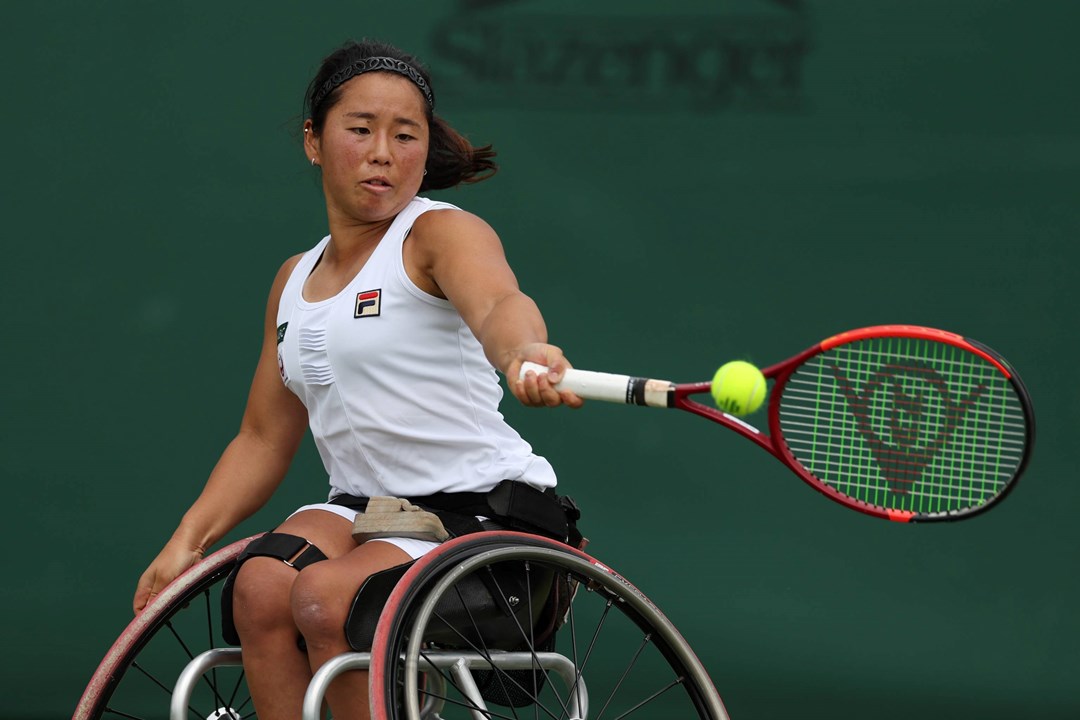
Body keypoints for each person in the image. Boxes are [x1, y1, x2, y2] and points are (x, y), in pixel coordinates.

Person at [132, 39, 582, 720]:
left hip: (482, 518)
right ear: (315, 141)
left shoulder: (438, 234)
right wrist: (186, 540)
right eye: (360, 129)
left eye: (406, 136)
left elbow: (497, 305)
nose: (382, 153)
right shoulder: (293, 279)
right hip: (368, 511)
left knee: (321, 597)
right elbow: (261, 437)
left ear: (426, 151)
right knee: (259, 586)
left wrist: (524, 349)